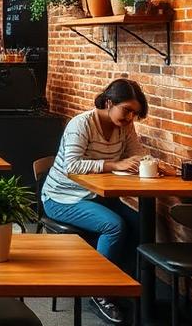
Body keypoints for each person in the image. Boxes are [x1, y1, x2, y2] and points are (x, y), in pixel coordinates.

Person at [41, 78, 147, 325]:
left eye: (135, 113)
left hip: (95, 195)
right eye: (127, 110)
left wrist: (147, 164)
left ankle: (119, 283)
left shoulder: (124, 126)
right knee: (114, 225)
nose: (131, 117)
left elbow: (137, 154)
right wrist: (115, 165)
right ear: (109, 102)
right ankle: (98, 291)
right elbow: (72, 165)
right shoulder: (82, 124)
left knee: (140, 223)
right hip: (61, 197)